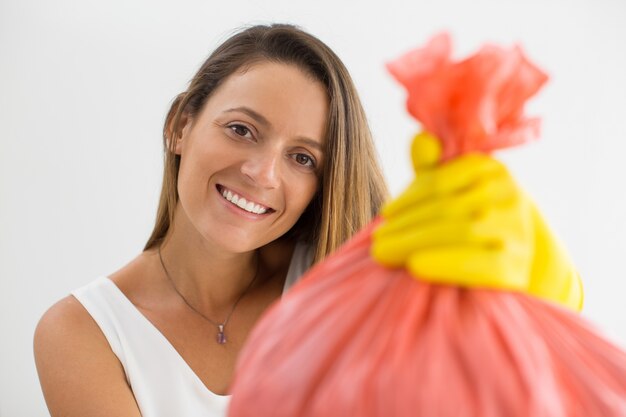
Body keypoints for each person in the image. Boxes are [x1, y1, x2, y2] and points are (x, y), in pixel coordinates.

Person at [33, 24, 582, 417]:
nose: (261, 173)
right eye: (242, 129)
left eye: (303, 158)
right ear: (181, 124)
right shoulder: (84, 334)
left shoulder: (344, 280)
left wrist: (540, 293)